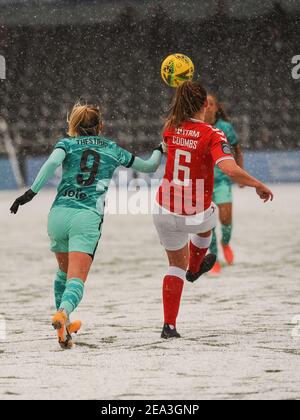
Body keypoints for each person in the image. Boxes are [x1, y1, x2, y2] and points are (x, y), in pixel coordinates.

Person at [10, 103, 164, 349]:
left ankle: (66, 328)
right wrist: (160, 148)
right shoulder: (112, 150)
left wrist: (30, 193)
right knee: (76, 280)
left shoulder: (66, 144)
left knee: (62, 272)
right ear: (101, 125)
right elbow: (149, 166)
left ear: (75, 125)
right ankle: (63, 313)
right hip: (86, 216)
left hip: (59, 214)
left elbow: (51, 163)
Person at [153, 81, 273, 339]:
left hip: (164, 208)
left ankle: (169, 326)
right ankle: (195, 266)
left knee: (174, 267)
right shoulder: (213, 134)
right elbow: (229, 169)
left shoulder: (170, 128)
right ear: (206, 105)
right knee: (209, 219)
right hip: (195, 212)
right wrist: (257, 184)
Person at [205, 95, 244, 275]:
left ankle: (225, 242)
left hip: (221, 180)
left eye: (211, 104)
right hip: (202, 182)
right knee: (208, 223)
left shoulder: (225, 128)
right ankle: (213, 256)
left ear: (216, 108)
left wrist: (240, 173)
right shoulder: (195, 127)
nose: (207, 106)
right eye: (204, 104)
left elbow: (236, 149)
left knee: (226, 217)